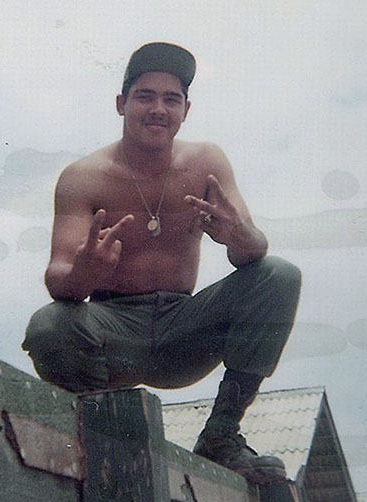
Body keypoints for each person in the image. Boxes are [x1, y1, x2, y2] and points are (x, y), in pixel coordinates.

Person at [22, 42, 301, 484]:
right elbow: (59, 280)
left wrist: (240, 236)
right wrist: (86, 273)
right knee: (49, 325)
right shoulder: (83, 177)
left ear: (185, 110)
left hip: (185, 332)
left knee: (279, 275)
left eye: (171, 99)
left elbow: (252, 250)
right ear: (122, 104)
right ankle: (97, 434)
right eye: (145, 96)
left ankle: (222, 435)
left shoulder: (206, 162)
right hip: (114, 333)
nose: (158, 109)